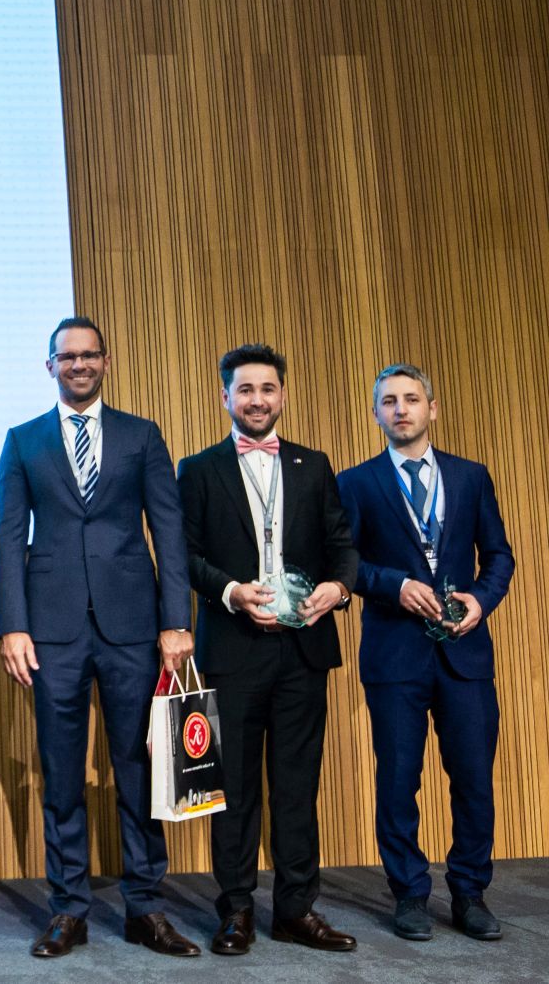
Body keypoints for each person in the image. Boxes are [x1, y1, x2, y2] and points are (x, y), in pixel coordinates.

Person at [0, 317, 198, 958]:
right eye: (67, 357)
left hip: (132, 627)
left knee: (138, 767)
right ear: (49, 365)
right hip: (50, 631)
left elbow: (168, 530)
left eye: (89, 355)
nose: (78, 365)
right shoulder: (22, 440)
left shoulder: (142, 435)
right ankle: (69, 908)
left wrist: (177, 621)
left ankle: (146, 906)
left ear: (105, 362)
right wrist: (12, 625)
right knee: (61, 774)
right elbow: (10, 539)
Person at [178, 345, 358, 954]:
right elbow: (184, 555)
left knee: (296, 787)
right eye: (245, 389)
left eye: (268, 389)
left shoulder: (315, 464)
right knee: (233, 790)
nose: (257, 400)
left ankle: (296, 910)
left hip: (304, 647)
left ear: (282, 395)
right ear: (225, 397)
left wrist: (338, 588)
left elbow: (342, 545)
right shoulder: (198, 469)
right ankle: (235, 911)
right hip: (233, 648)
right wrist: (230, 591)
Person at [338, 364, 513, 943]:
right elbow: (343, 565)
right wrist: (393, 585)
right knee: (397, 781)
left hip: (465, 655)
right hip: (394, 657)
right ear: (376, 414)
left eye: (411, 399)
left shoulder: (470, 476)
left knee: (473, 779)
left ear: (431, 409)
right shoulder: (356, 483)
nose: (401, 409)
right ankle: (410, 893)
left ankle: (470, 893)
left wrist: (481, 600)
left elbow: (500, 556)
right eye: (389, 401)